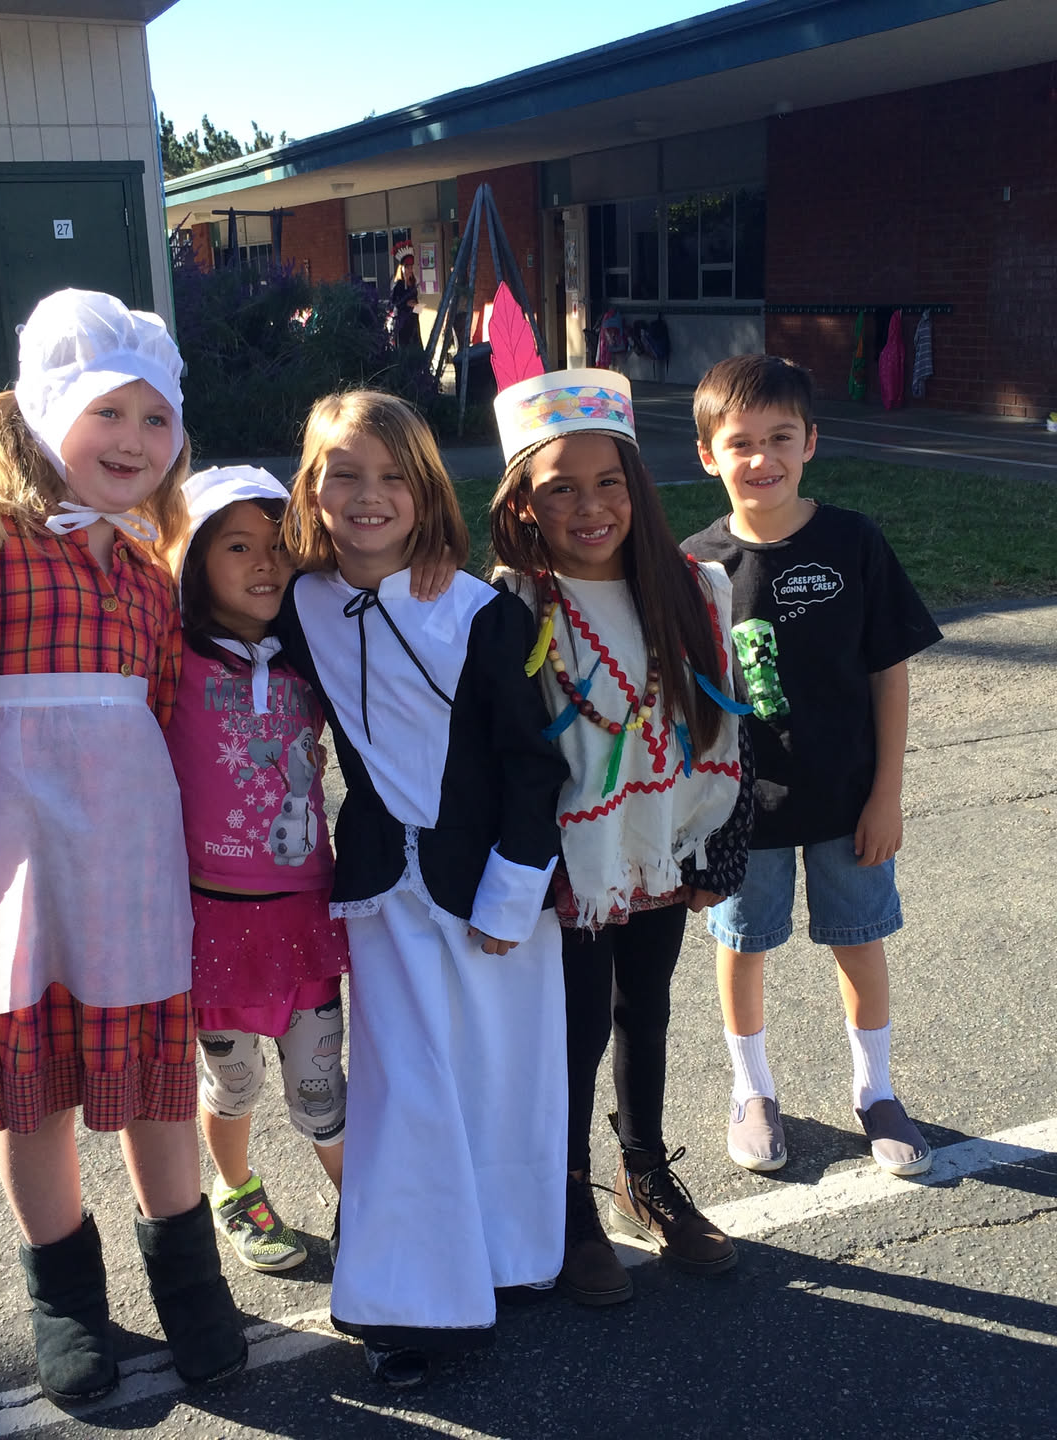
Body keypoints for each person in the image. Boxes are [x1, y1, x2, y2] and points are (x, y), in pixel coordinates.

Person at [0, 290, 245, 1407]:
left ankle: (190, 1282)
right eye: (108, 412)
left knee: (156, 1083)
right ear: (46, 411)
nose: (134, 439)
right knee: (34, 1094)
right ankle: (64, 1294)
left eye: (156, 420)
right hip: (8, 872)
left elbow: (158, 717)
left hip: (128, 871)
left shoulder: (145, 567)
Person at [271, 390, 570, 1388]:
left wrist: (514, 891)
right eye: (345, 474)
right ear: (312, 488)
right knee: (403, 1090)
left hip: (490, 884)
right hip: (379, 889)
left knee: (504, 1072)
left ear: (428, 492)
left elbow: (532, 763)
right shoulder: (299, 601)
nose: (370, 495)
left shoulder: (478, 611)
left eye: (394, 477)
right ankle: (409, 1300)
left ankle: (507, 1256)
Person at [488, 367, 755, 1307]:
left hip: (662, 843)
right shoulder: (516, 603)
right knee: (572, 1030)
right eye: (560, 488)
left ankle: (645, 1172)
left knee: (647, 1007)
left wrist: (717, 842)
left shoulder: (693, 589)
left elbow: (727, 722)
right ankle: (568, 1202)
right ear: (523, 505)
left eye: (609, 482)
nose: (590, 506)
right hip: (573, 861)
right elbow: (503, 746)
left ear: (637, 485)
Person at [683, 354, 942, 1179]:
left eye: (781, 437)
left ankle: (877, 1090)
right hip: (740, 810)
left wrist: (886, 795)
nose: (762, 458)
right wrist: (692, 818)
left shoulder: (853, 542)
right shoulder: (694, 567)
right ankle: (752, 1090)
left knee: (859, 942)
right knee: (743, 946)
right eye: (741, 443)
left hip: (848, 799)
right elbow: (683, 705)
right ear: (708, 455)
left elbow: (889, 673)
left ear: (811, 442)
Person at [164, 465, 350, 1275]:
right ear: (193, 562)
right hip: (214, 918)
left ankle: (365, 1208)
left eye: (278, 543)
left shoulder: (314, 657)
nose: (264, 561)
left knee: (321, 1085)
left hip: (305, 913)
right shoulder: (172, 659)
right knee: (233, 1081)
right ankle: (236, 1189)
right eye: (237, 546)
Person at [389, 255, 421, 351]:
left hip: (413, 321)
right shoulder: (398, 285)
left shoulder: (413, 284)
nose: (410, 270)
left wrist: (416, 305)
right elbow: (394, 302)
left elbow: (415, 299)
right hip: (402, 322)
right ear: (402, 268)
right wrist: (406, 304)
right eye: (407, 268)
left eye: (411, 268)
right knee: (404, 347)